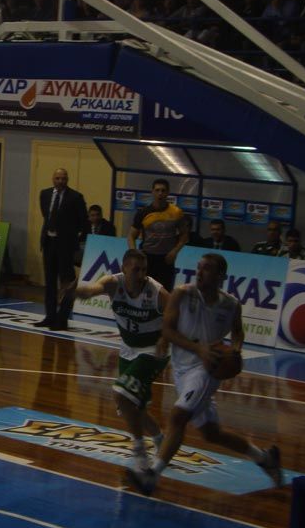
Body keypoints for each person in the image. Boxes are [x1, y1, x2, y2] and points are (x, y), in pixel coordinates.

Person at [125, 253, 282, 495]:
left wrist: (236, 350)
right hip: (181, 368)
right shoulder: (182, 294)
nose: (199, 272)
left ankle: (152, 475)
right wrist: (196, 347)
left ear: (221, 276)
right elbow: (167, 329)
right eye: (198, 268)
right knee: (211, 433)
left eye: (206, 269)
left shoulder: (231, 304)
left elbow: (238, 331)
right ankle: (265, 458)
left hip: (207, 370)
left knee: (178, 417)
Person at [72, 249, 167, 472]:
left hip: (153, 350)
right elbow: (92, 290)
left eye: (144, 270)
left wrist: (167, 336)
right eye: (136, 270)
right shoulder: (114, 283)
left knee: (121, 394)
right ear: (124, 268)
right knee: (133, 408)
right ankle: (160, 439)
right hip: (128, 349)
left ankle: (139, 448)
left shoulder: (155, 291)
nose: (141, 275)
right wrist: (78, 291)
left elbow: (177, 311)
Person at [36, 168, 87, 331]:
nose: (60, 181)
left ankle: (62, 319)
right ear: (53, 179)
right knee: (50, 282)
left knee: (66, 283)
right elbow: (46, 215)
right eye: (58, 178)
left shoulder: (76, 197)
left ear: (67, 179)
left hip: (65, 246)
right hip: (49, 243)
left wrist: (71, 239)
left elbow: (83, 222)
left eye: (63, 178)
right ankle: (50, 316)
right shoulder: (45, 194)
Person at [128, 178, 188, 291]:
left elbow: (184, 235)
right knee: (143, 290)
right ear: (152, 192)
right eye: (157, 190)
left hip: (166, 259)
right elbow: (131, 236)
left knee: (165, 292)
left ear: (168, 192)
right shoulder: (143, 213)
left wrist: (174, 252)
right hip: (147, 258)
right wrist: (134, 254)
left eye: (163, 190)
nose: (160, 193)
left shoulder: (176, 212)